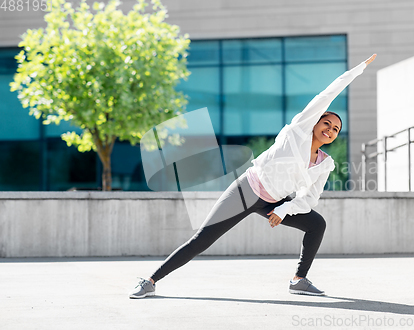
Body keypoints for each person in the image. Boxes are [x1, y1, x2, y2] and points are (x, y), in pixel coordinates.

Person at [129, 54, 377, 299]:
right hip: (247, 190)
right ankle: (150, 281)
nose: (330, 130)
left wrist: (284, 209)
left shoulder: (325, 164)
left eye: (336, 130)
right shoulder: (297, 131)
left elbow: (309, 198)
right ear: (314, 122)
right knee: (202, 239)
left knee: (317, 223)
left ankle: (298, 280)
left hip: (274, 202)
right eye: (327, 123)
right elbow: (326, 95)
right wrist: (357, 71)